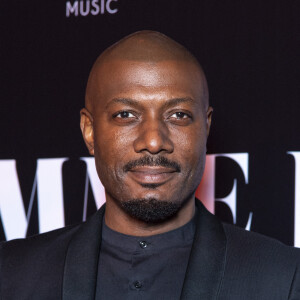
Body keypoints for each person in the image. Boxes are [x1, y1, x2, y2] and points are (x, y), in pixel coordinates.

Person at [0, 31, 299, 300]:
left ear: (206, 128)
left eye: (178, 115)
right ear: (90, 131)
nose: (154, 141)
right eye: (126, 115)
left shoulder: (284, 277)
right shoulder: (11, 273)